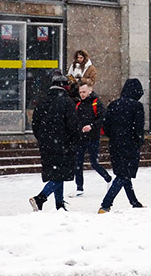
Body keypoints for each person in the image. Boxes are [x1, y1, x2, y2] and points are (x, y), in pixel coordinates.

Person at [29, 74, 79, 211]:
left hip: (46, 145)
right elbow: (72, 125)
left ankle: (59, 204)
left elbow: (35, 123)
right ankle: (40, 198)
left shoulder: (42, 101)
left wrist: (43, 139)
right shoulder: (67, 102)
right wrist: (75, 140)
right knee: (61, 173)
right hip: (63, 144)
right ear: (64, 86)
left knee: (56, 172)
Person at [99, 78, 147, 213]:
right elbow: (138, 128)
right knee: (124, 175)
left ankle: (134, 202)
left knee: (123, 173)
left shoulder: (113, 105)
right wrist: (138, 141)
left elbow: (106, 125)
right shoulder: (137, 106)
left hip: (115, 144)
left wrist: (114, 136)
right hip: (129, 144)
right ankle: (105, 204)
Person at [73, 82, 112, 196]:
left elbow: (103, 118)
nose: (82, 94)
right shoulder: (79, 105)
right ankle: (79, 188)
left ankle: (108, 178)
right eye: (80, 92)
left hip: (93, 137)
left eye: (84, 92)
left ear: (90, 91)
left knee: (94, 163)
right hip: (81, 137)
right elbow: (77, 121)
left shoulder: (96, 103)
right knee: (78, 163)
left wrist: (91, 126)